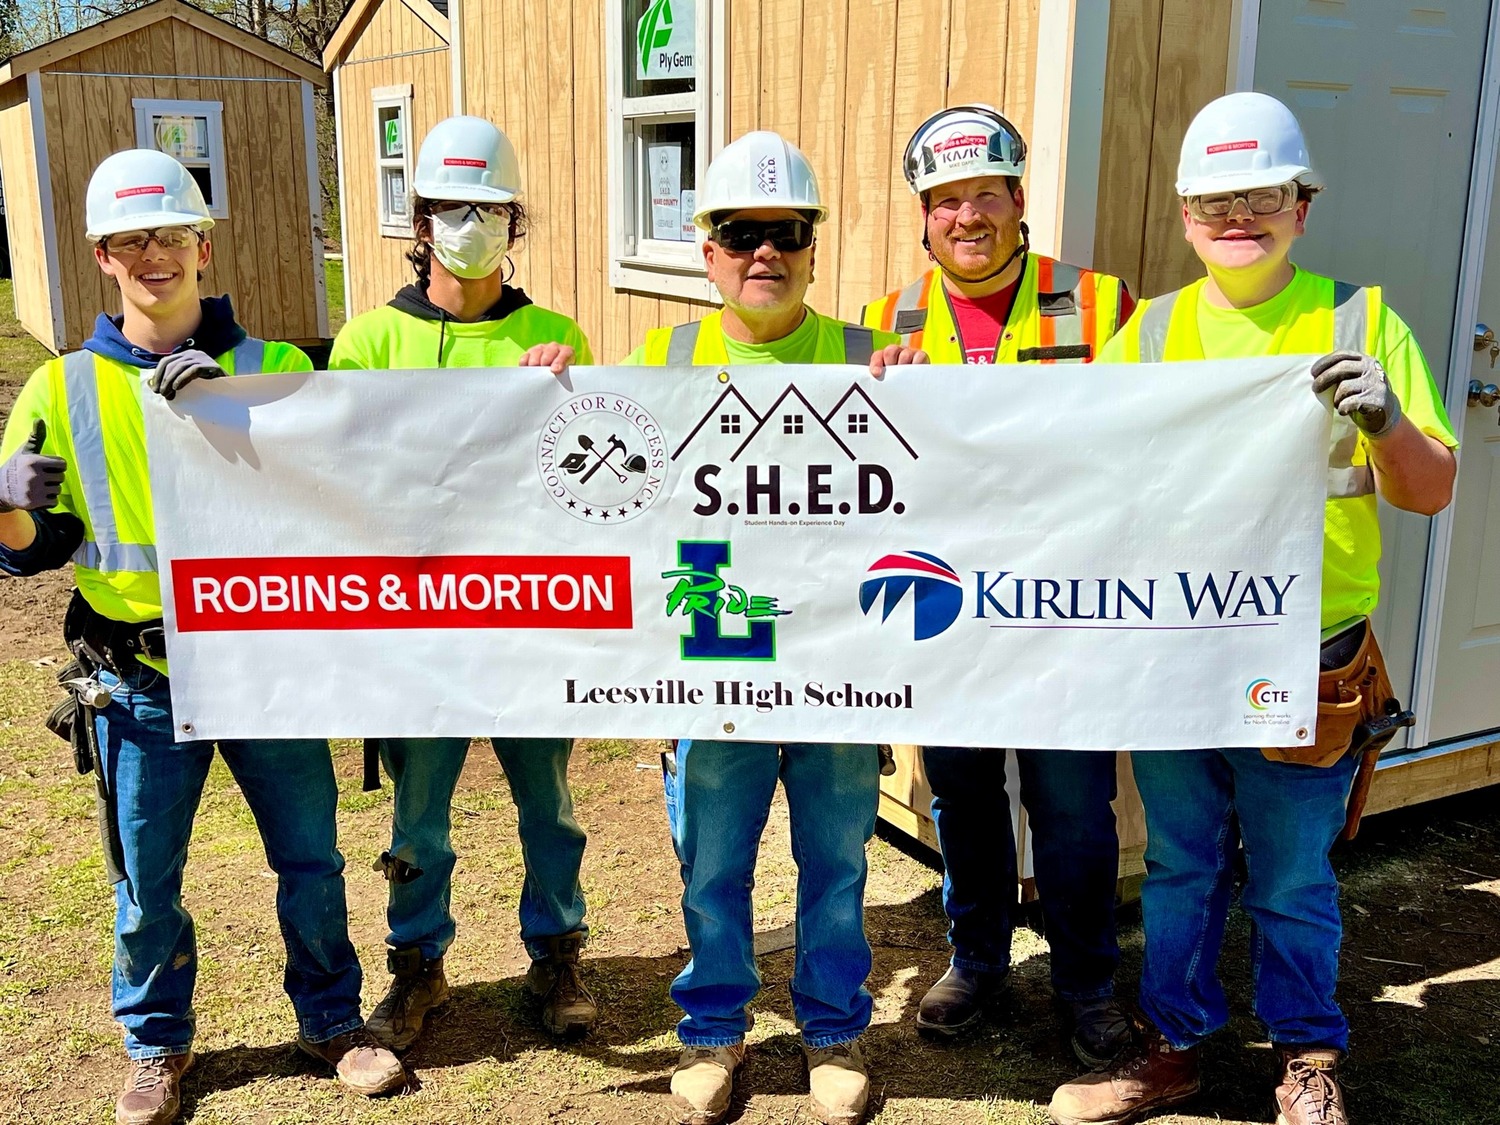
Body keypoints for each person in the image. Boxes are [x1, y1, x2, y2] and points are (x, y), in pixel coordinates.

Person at [1048, 92, 1457, 1125]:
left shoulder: (1362, 322)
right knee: (1183, 864)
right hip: (1180, 652)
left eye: (1264, 195)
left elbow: (1430, 489)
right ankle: (1173, 1046)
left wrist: (1389, 419)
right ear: (1186, 215)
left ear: (1301, 205)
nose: (1240, 218)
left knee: (1289, 876)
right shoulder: (1147, 335)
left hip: (1310, 656)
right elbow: (1082, 479)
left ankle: (1309, 1057)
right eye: (1217, 201)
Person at [0, 149, 403, 1125]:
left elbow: (337, 508)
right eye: (131, 239)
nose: (153, 256)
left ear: (203, 244)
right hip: (137, 683)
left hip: (266, 669)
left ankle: (333, 1022)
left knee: (310, 862)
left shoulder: (277, 369)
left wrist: (240, 409)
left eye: (170, 235)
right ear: (103, 255)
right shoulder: (61, 388)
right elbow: (31, 550)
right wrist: (4, 510)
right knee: (148, 885)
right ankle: (155, 1045)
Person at [624, 130, 924, 1125]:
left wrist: (926, 393)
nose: (766, 251)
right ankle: (714, 1033)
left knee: (835, 860)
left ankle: (833, 1032)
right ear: (705, 247)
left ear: (811, 243)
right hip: (718, 650)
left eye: (786, 232)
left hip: (835, 657)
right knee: (715, 863)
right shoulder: (662, 361)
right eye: (741, 232)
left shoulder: (863, 356)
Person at [862, 105, 1134, 1066]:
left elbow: (1155, 438)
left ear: (1021, 199)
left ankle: (1087, 983)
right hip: (948, 612)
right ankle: (976, 957)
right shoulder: (890, 322)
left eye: (985, 193)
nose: (965, 215)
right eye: (944, 200)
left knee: (1071, 808)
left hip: (1065, 612)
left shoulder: (1099, 304)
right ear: (924, 216)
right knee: (965, 797)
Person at [328, 115, 597, 1052]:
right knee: (418, 812)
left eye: (487, 207)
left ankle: (557, 952)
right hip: (419, 630)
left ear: (512, 219)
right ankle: (417, 965)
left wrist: (566, 394)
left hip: (528, 621)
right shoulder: (367, 341)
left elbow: (593, 478)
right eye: (451, 206)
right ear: (421, 218)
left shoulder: (557, 334)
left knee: (549, 805)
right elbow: (338, 476)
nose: (469, 223)